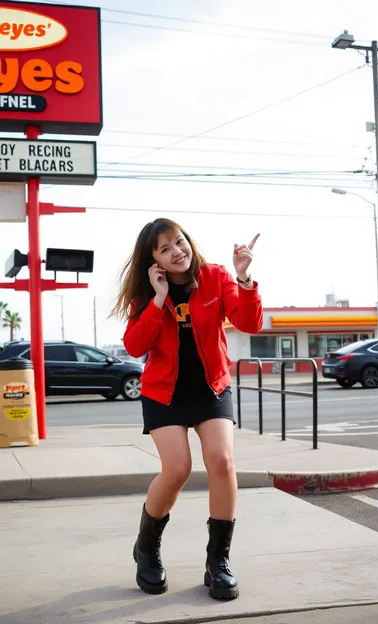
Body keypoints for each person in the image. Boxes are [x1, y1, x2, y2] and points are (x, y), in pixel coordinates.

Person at [112, 218, 263, 601]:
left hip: (211, 388)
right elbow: (134, 345)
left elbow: (249, 324)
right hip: (164, 393)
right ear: (153, 260)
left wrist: (244, 279)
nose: (177, 251)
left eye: (179, 242)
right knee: (177, 468)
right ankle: (146, 548)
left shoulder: (215, 276)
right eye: (165, 248)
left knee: (222, 461)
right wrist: (160, 300)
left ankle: (218, 561)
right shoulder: (148, 295)